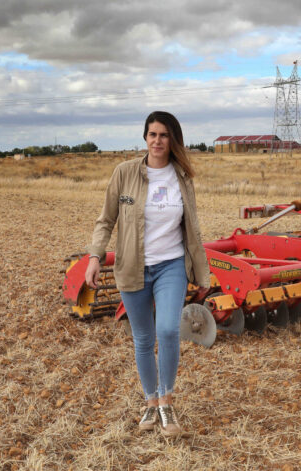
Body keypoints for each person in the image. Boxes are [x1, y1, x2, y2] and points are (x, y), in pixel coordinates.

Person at [85, 111, 210, 437]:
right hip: (131, 266)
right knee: (143, 339)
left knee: (168, 330)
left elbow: (192, 227)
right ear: (145, 138)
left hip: (171, 265)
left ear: (173, 140)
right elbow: (105, 220)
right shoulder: (124, 174)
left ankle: (167, 404)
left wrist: (201, 271)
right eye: (152, 134)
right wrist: (95, 257)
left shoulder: (182, 176)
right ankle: (151, 403)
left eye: (164, 135)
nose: (157, 141)